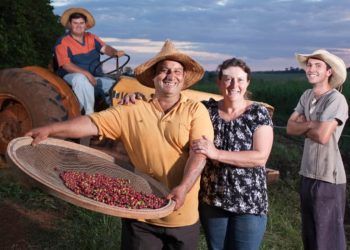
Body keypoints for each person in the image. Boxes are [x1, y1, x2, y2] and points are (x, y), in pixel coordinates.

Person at [26, 40, 214, 250]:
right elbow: (92, 122)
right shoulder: (131, 109)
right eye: (164, 70)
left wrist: (183, 187)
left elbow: (199, 153)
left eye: (177, 71)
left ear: (184, 77)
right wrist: (51, 130)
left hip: (183, 217)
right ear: (154, 77)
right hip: (141, 215)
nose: (171, 76)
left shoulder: (195, 110)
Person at [191, 58, 274, 250]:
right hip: (213, 200)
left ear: (247, 83)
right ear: (219, 82)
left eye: (240, 80)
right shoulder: (206, 111)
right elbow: (174, 108)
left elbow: (260, 157)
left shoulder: (257, 113)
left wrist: (216, 153)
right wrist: (137, 99)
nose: (234, 85)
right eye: (228, 79)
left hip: (249, 202)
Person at [286, 49, 348, 250]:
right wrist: (313, 124)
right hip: (307, 173)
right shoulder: (307, 95)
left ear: (329, 72)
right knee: (310, 236)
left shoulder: (336, 100)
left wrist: (304, 124)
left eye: (317, 65)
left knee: (328, 238)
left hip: (328, 177)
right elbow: (289, 127)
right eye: (309, 65)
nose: (310, 69)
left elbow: (322, 137)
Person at [54, 7, 125, 115]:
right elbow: (66, 65)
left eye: (81, 23)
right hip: (72, 76)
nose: (78, 26)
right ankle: (88, 115)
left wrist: (114, 52)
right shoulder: (63, 42)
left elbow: (105, 48)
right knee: (81, 79)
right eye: (75, 23)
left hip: (95, 76)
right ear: (70, 24)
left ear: (86, 25)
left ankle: (114, 115)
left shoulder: (92, 38)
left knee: (116, 85)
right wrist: (86, 74)